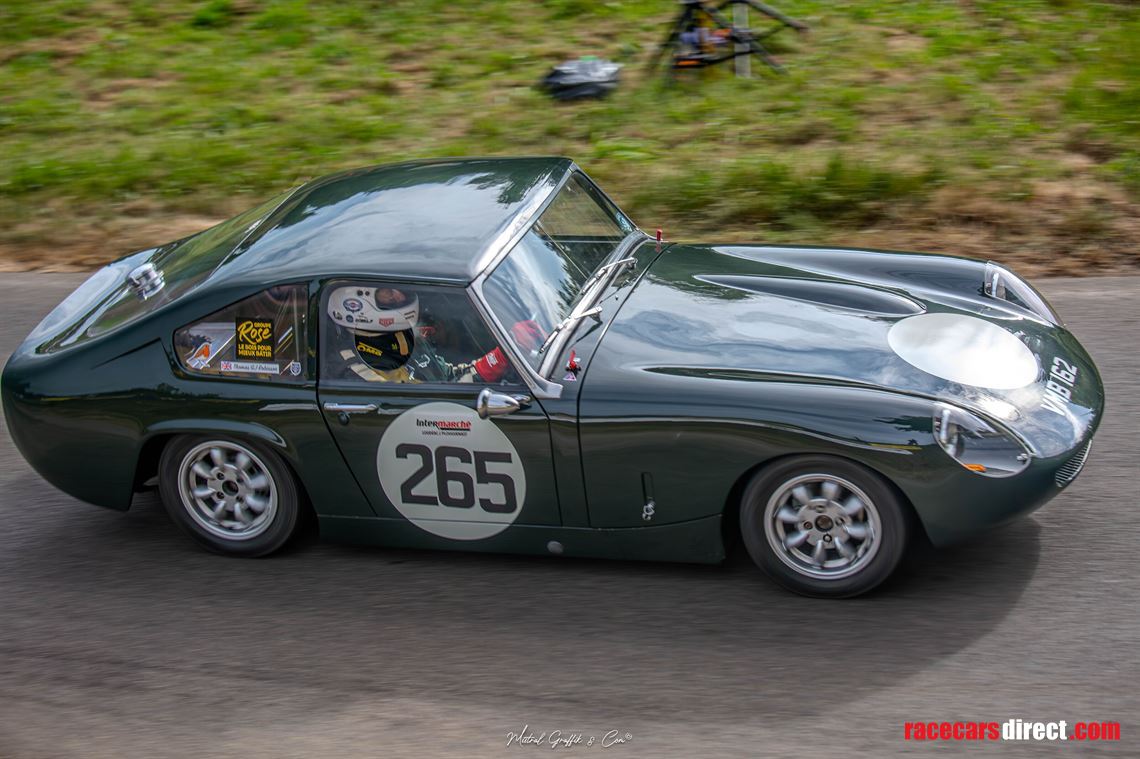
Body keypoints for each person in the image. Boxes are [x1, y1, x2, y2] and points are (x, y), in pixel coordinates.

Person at [326, 285, 542, 384]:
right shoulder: (351, 365)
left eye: (397, 288)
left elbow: (446, 377)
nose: (399, 296)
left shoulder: (402, 335)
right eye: (388, 292)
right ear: (354, 302)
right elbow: (415, 404)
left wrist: (502, 354)